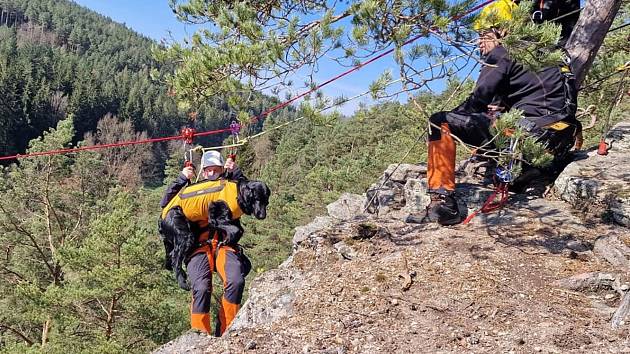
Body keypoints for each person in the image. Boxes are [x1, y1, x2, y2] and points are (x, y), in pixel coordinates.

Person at [406, 0, 581, 226]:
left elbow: (476, 102)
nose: (479, 42)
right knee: (496, 119)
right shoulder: (552, 50)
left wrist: (455, 116)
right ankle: (528, 170)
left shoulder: (503, 51)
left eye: (483, 34)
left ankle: (443, 203)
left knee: (439, 122)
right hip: (560, 138)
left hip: (528, 136)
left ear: (502, 29)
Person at [160, 150, 250, 336]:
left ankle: (228, 331)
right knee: (201, 288)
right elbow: (166, 204)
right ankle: (200, 335)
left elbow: (249, 192)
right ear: (203, 171)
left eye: (215, 169)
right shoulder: (194, 190)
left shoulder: (230, 186)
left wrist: (236, 172)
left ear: (220, 169)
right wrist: (181, 178)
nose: (211, 173)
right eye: (207, 170)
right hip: (198, 247)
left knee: (235, 281)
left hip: (224, 244)